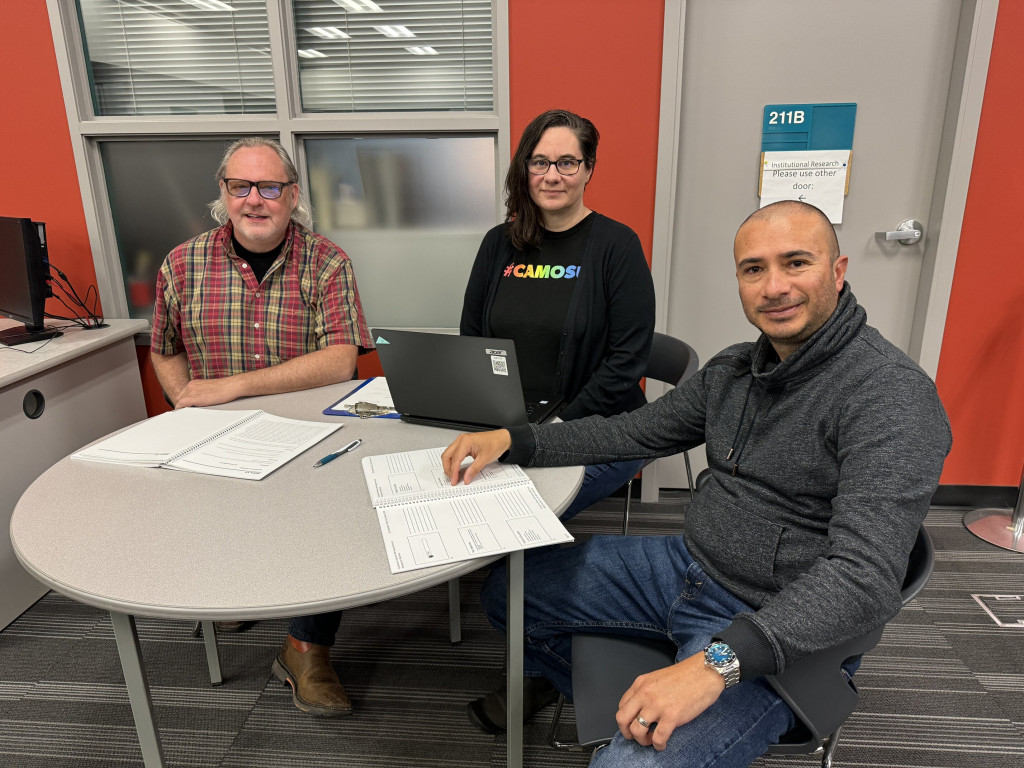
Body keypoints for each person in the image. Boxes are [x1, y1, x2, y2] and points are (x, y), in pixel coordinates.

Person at [441, 200, 952, 765]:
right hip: (687, 568)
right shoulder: (734, 370)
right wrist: (516, 441)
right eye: (754, 269)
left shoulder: (891, 397)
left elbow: (863, 579)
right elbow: (631, 433)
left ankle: (655, 721)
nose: (774, 286)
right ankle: (634, 706)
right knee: (508, 593)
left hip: (777, 625)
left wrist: (715, 666)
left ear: (837, 270)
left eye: (796, 262)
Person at [150, 137, 374, 718]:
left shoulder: (327, 262)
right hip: (218, 438)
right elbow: (164, 347)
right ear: (222, 195)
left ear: (293, 196)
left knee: (332, 513)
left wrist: (230, 386)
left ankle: (305, 649)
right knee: (212, 510)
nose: (255, 200)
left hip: (313, 438)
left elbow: (340, 361)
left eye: (269, 187)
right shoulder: (181, 263)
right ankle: (245, 589)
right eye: (240, 186)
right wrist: (181, 396)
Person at [460, 109, 655, 522]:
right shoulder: (499, 244)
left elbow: (627, 360)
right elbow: (473, 337)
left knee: (517, 509)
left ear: (588, 170)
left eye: (567, 163)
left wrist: (555, 430)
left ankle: (515, 583)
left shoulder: (617, 246)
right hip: (510, 420)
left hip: (599, 426)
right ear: (525, 168)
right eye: (540, 162)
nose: (552, 175)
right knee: (461, 485)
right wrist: (499, 421)